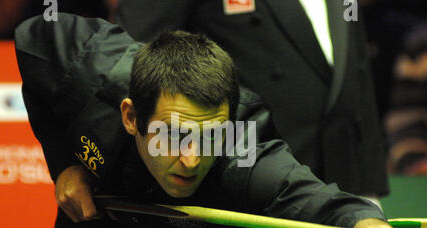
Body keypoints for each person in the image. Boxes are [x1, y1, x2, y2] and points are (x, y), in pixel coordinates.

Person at [15, 13, 405, 228]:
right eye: (173, 137)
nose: (191, 160)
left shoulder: (240, 145)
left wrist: (365, 222)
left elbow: (308, 195)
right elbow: (29, 37)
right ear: (131, 116)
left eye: (209, 139)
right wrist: (64, 163)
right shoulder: (89, 70)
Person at [115, 0, 389, 204]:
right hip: (248, 176)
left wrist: (366, 191)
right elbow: (136, 56)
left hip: (339, 176)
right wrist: (95, 160)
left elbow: (355, 75)